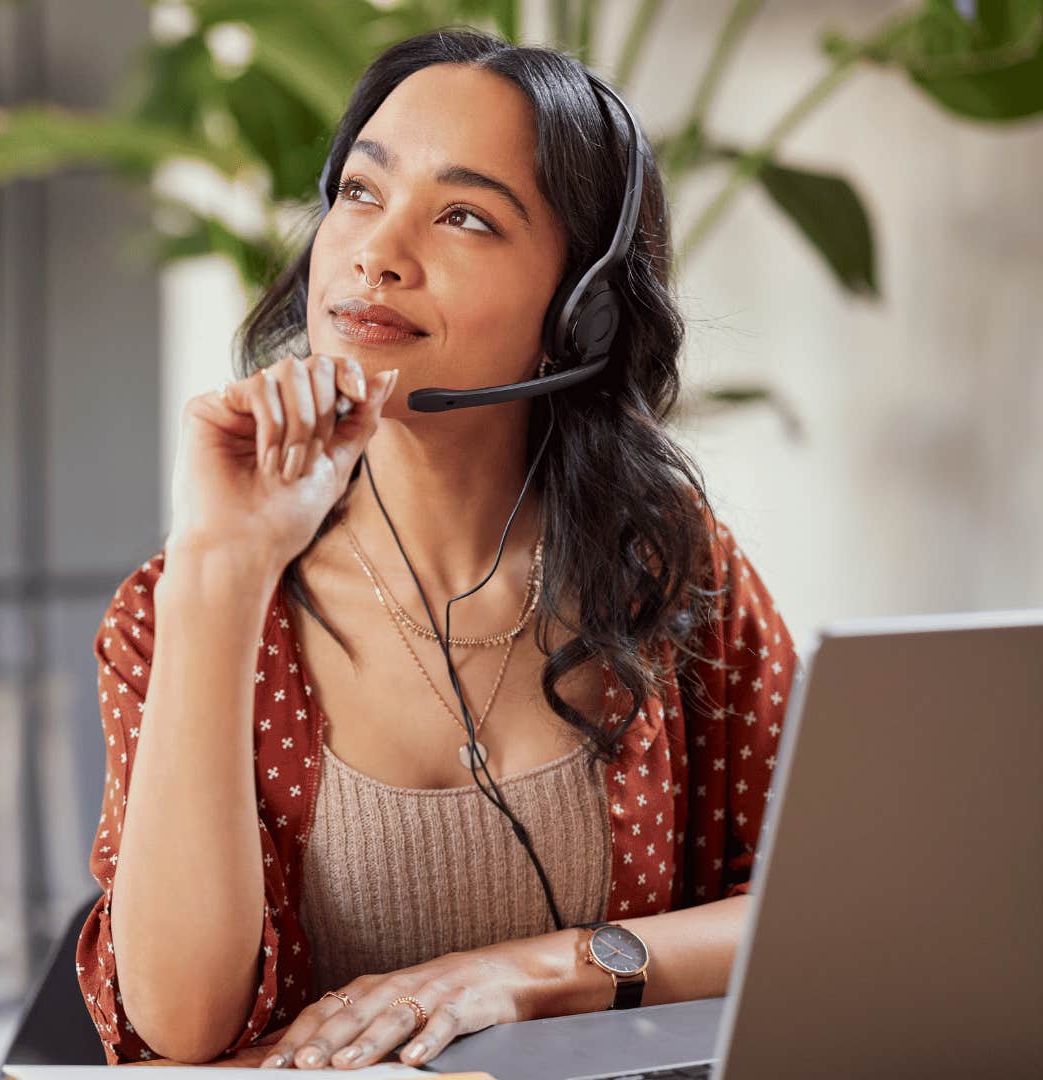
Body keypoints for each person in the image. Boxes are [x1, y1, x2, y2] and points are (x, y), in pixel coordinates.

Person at [77, 27, 799, 1069]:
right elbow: (180, 1026)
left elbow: (816, 903)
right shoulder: (175, 605)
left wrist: (521, 973)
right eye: (360, 194)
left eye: (464, 216)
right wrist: (221, 572)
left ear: (581, 311)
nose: (376, 251)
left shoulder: (672, 571)